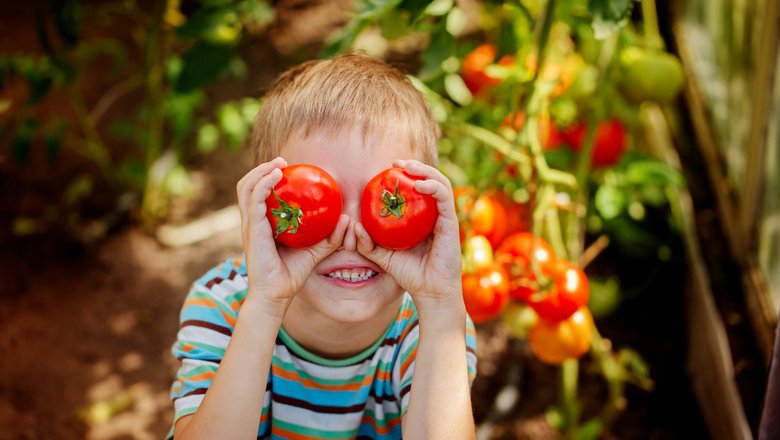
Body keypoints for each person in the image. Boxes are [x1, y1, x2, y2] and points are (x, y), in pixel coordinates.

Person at [168, 53, 478, 439]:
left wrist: (441, 303)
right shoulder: (221, 305)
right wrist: (265, 304)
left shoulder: (431, 325)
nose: (351, 237)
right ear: (262, 209)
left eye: (383, 201)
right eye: (310, 203)